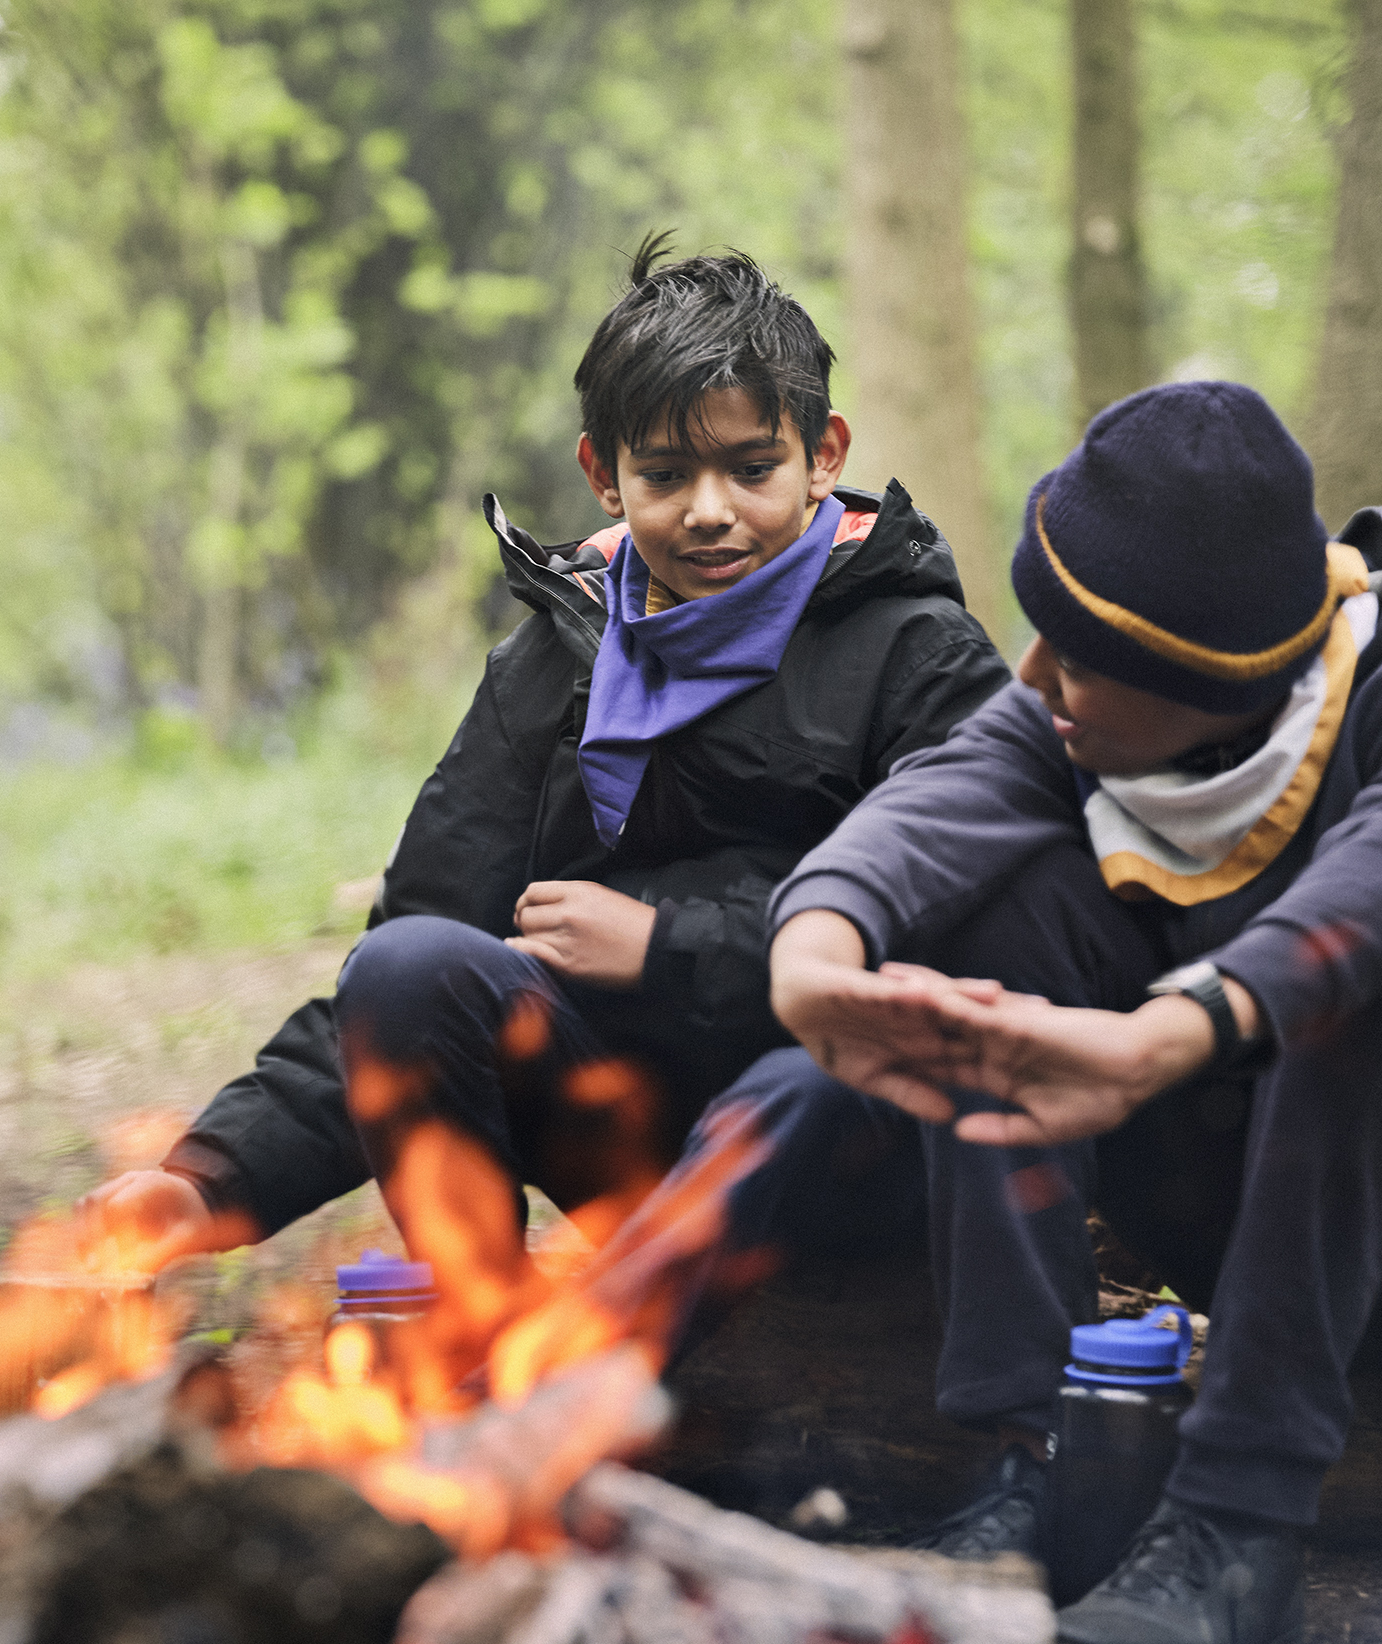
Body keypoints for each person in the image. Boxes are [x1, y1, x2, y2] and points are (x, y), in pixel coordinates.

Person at [758, 379, 1382, 1644]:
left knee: (1363, 956)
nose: (1035, 678)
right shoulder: (1085, 706)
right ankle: (1031, 1465)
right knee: (991, 906)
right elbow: (935, 807)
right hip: (1271, 1216)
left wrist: (1168, 1034)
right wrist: (814, 957)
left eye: (1075, 655)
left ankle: (1237, 1518)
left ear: (1210, 677)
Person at [87, 240, 1010, 1272]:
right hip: (627, 1143)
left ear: (824, 453)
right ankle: (485, 1335)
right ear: (602, 476)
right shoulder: (558, 654)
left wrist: (665, 948)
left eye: (753, 470)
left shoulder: (917, 651)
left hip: (841, 1141)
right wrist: (208, 1176)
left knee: (813, 1082)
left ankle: (659, 1347)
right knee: (411, 965)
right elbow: (404, 967)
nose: (710, 511)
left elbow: (971, 948)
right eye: (665, 474)